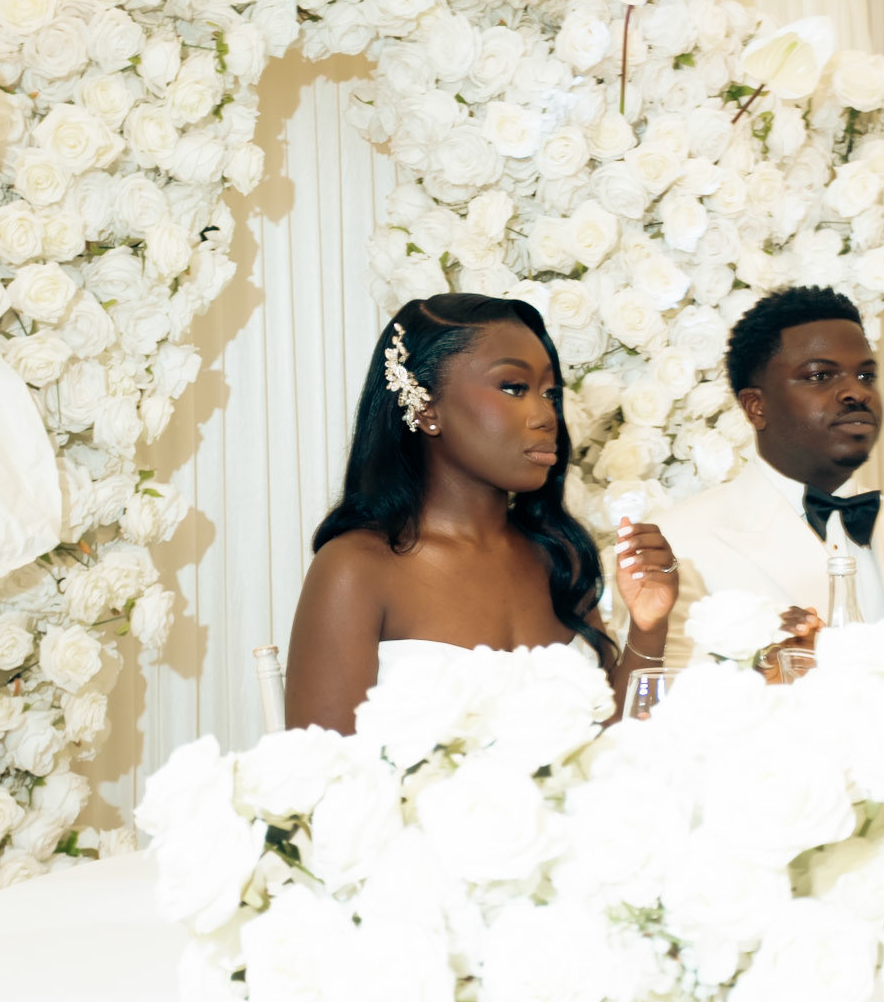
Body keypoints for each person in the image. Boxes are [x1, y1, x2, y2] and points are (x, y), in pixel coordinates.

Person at [285, 292, 677, 732]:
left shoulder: (559, 556)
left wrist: (649, 629)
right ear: (426, 409)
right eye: (514, 387)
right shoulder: (355, 570)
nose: (545, 415)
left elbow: (618, 744)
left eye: (550, 393)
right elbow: (321, 767)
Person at [655, 284, 884, 666]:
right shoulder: (677, 544)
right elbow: (658, 692)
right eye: (820, 376)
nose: (856, 392)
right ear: (755, 406)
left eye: (866, 375)